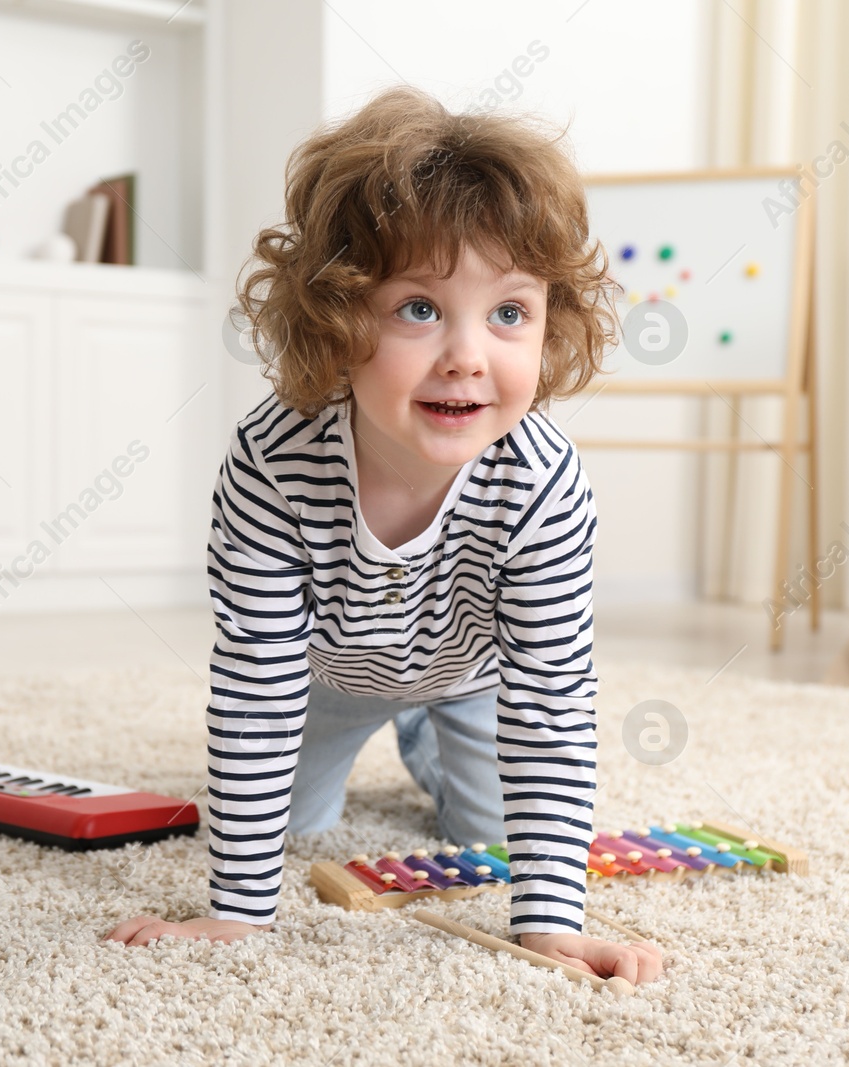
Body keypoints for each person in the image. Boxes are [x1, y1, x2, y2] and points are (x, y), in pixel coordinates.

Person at [107, 85, 661, 985]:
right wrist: (235, 915)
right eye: (419, 308)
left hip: (475, 677)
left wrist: (552, 924)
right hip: (324, 676)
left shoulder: (544, 486)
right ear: (338, 313)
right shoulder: (270, 463)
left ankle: (433, 736)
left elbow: (551, 696)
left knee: (488, 831)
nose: (468, 355)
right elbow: (256, 685)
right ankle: (385, 729)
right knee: (275, 826)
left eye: (510, 312)